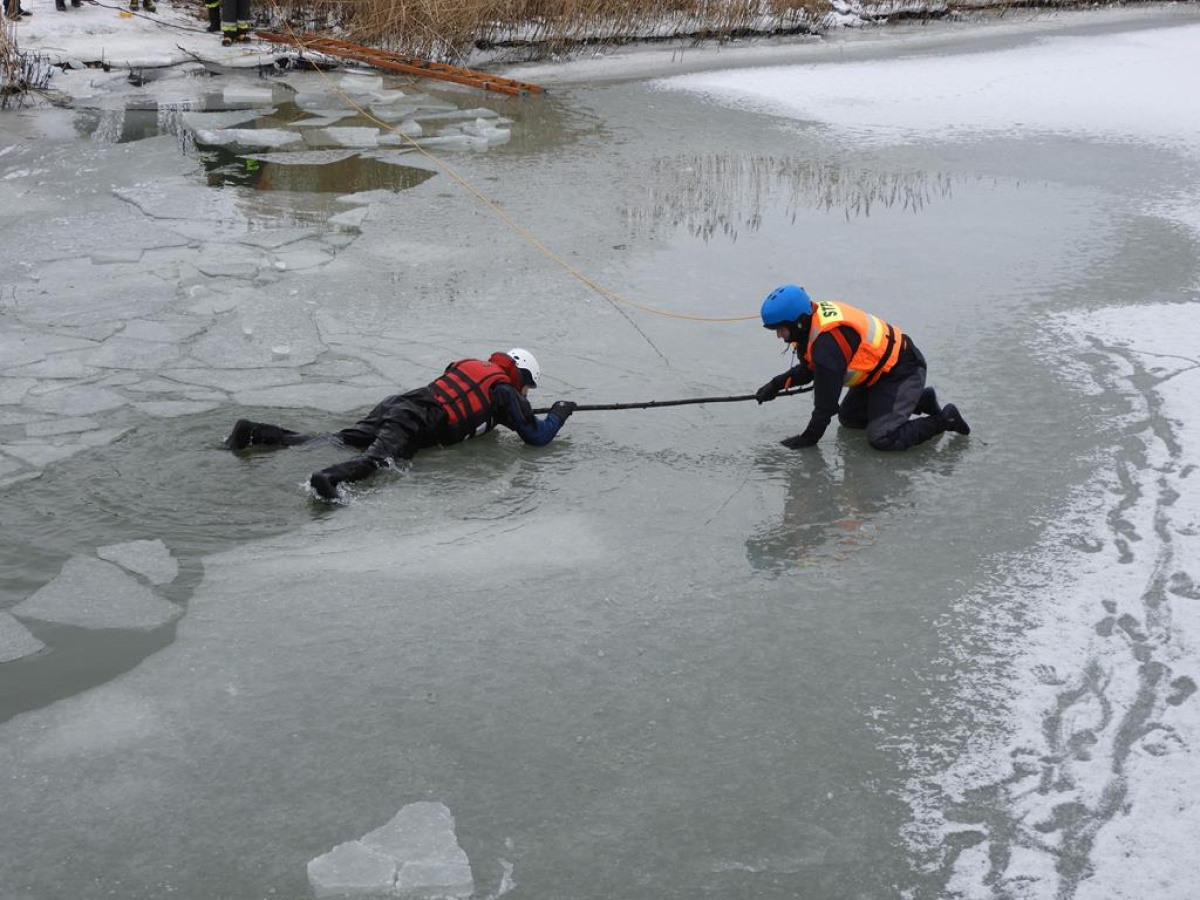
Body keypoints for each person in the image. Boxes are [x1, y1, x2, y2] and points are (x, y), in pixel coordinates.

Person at [226, 348, 577, 500]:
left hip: (399, 404)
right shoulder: (505, 392)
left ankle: (255, 432)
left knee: (337, 440)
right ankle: (329, 479)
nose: (527, 393)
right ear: (521, 376)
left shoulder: (474, 366)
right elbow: (536, 437)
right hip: (417, 420)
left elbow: (466, 399)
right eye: (528, 386)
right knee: (379, 460)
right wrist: (560, 412)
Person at [755, 285, 970, 451]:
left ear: (799, 321)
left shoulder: (827, 345)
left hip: (903, 370)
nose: (779, 335)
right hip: (877, 375)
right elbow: (809, 370)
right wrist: (775, 385)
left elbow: (825, 406)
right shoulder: (811, 323)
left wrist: (808, 438)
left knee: (883, 438)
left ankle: (946, 419)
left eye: (781, 329)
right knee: (850, 418)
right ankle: (921, 400)